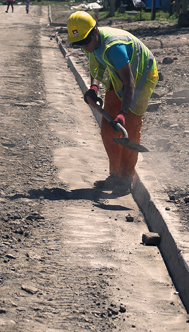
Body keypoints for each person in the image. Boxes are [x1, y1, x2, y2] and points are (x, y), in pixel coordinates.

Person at [67, 11, 158, 196]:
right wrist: (93, 88)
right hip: (121, 74)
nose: (84, 47)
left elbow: (130, 83)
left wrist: (123, 113)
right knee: (108, 128)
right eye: (79, 44)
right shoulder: (89, 43)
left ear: (95, 32)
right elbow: (96, 65)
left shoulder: (113, 47)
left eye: (85, 42)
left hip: (142, 76)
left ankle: (126, 178)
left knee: (130, 127)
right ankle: (115, 175)